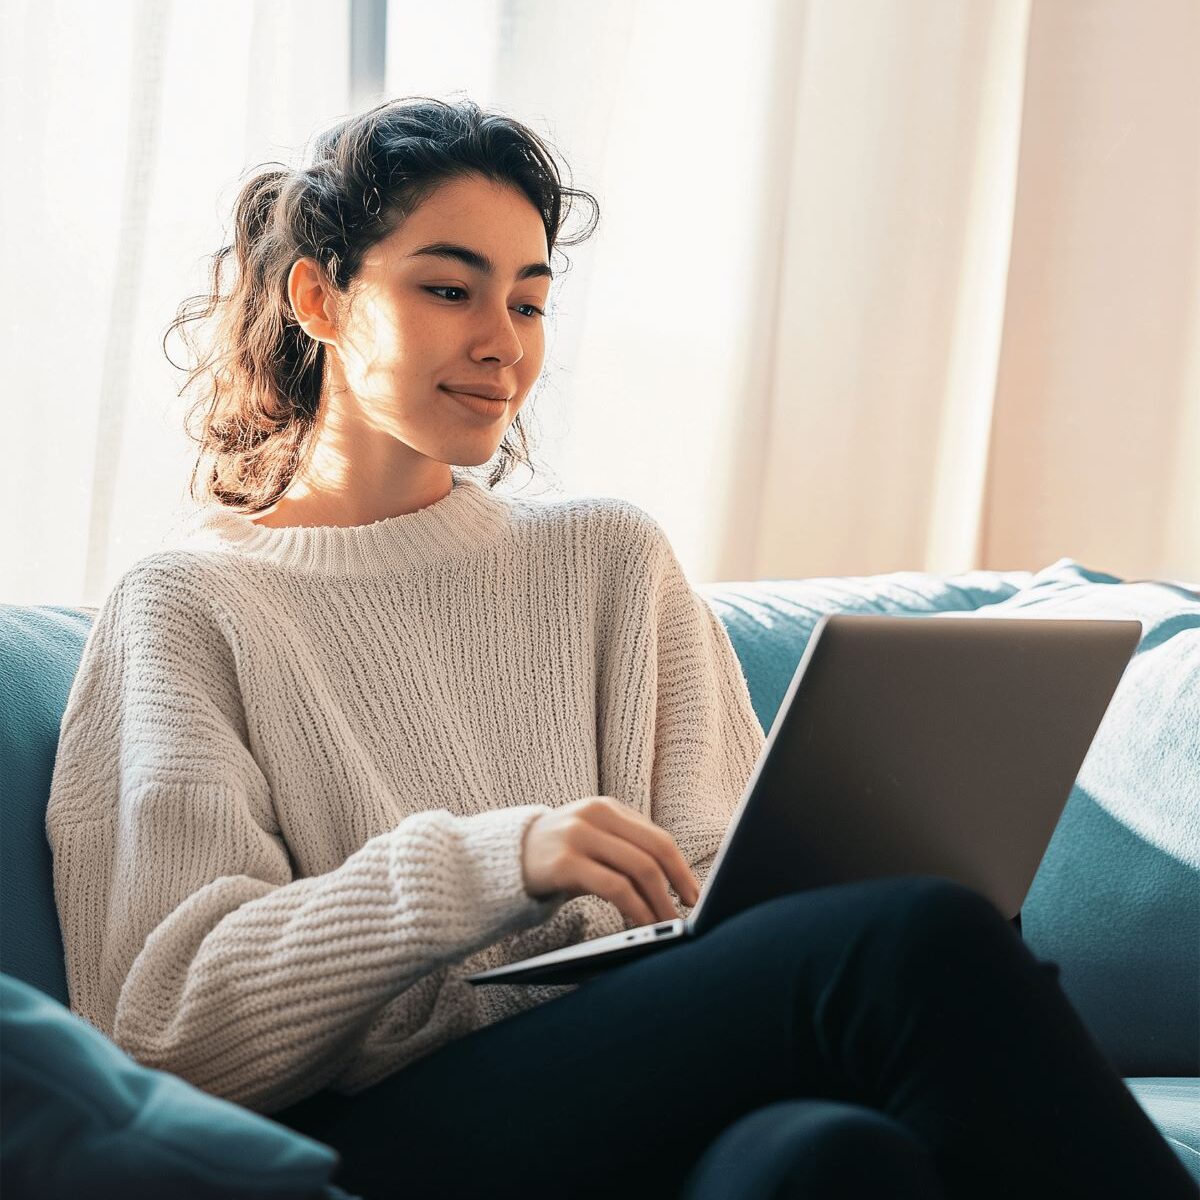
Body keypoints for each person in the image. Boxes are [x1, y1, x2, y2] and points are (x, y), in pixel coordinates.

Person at [45, 95, 1195, 1200]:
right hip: (384, 1137)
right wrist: (494, 863)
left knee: (832, 1158)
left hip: (629, 1092)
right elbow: (162, 1028)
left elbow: (720, 879)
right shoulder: (188, 606)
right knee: (912, 944)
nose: (501, 344)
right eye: (450, 288)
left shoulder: (607, 559)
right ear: (319, 298)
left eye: (532, 303)